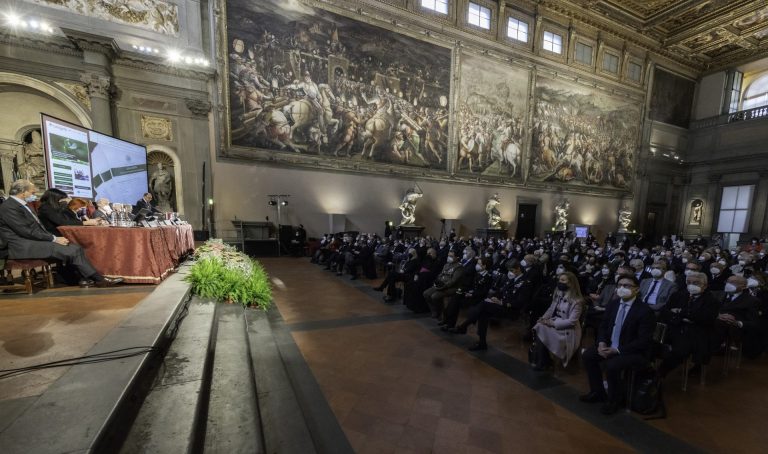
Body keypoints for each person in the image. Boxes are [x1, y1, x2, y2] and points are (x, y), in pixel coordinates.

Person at [0, 179, 123, 288]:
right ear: (23, 192)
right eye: (32, 193)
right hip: (20, 245)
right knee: (72, 250)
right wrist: (53, 239)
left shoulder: (22, 205)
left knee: (75, 247)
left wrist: (53, 238)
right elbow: (26, 231)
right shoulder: (9, 207)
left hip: (32, 241)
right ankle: (99, 280)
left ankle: (86, 278)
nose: (34, 195)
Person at [580, 275, 655, 415]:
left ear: (636, 289)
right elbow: (603, 326)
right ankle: (597, 392)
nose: (622, 288)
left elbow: (643, 340)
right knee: (588, 356)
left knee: (612, 365)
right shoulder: (613, 304)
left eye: (627, 286)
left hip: (632, 351)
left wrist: (617, 350)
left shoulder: (645, 311)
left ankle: (614, 400)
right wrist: (601, 342)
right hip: (610, 345)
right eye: (620, 285)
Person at [657, 271, 719, 379]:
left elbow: (706, 318)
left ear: (705, 285)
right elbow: (665, 311)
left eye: (696, 283)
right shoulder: (678, 295)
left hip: (695, 333)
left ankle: (659, 373)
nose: (692, 285)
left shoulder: (711, 300)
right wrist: (684, 316)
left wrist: (681, 312)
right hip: (674, 327)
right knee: (651, 342)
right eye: (689, 282)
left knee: (680, 350)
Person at [531, 271, 585, 370]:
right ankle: (543, 360)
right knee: (539, 326)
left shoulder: (577, 301)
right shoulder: (559, 293)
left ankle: (542, 361)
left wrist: (551, 323)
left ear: (570, 283)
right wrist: (543, 319)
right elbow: (551, 309)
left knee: (542, 329)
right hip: (556, 322)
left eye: (563, 280)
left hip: (568, 330)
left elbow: (571, 322)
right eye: (559, 280)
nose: (560, 282)